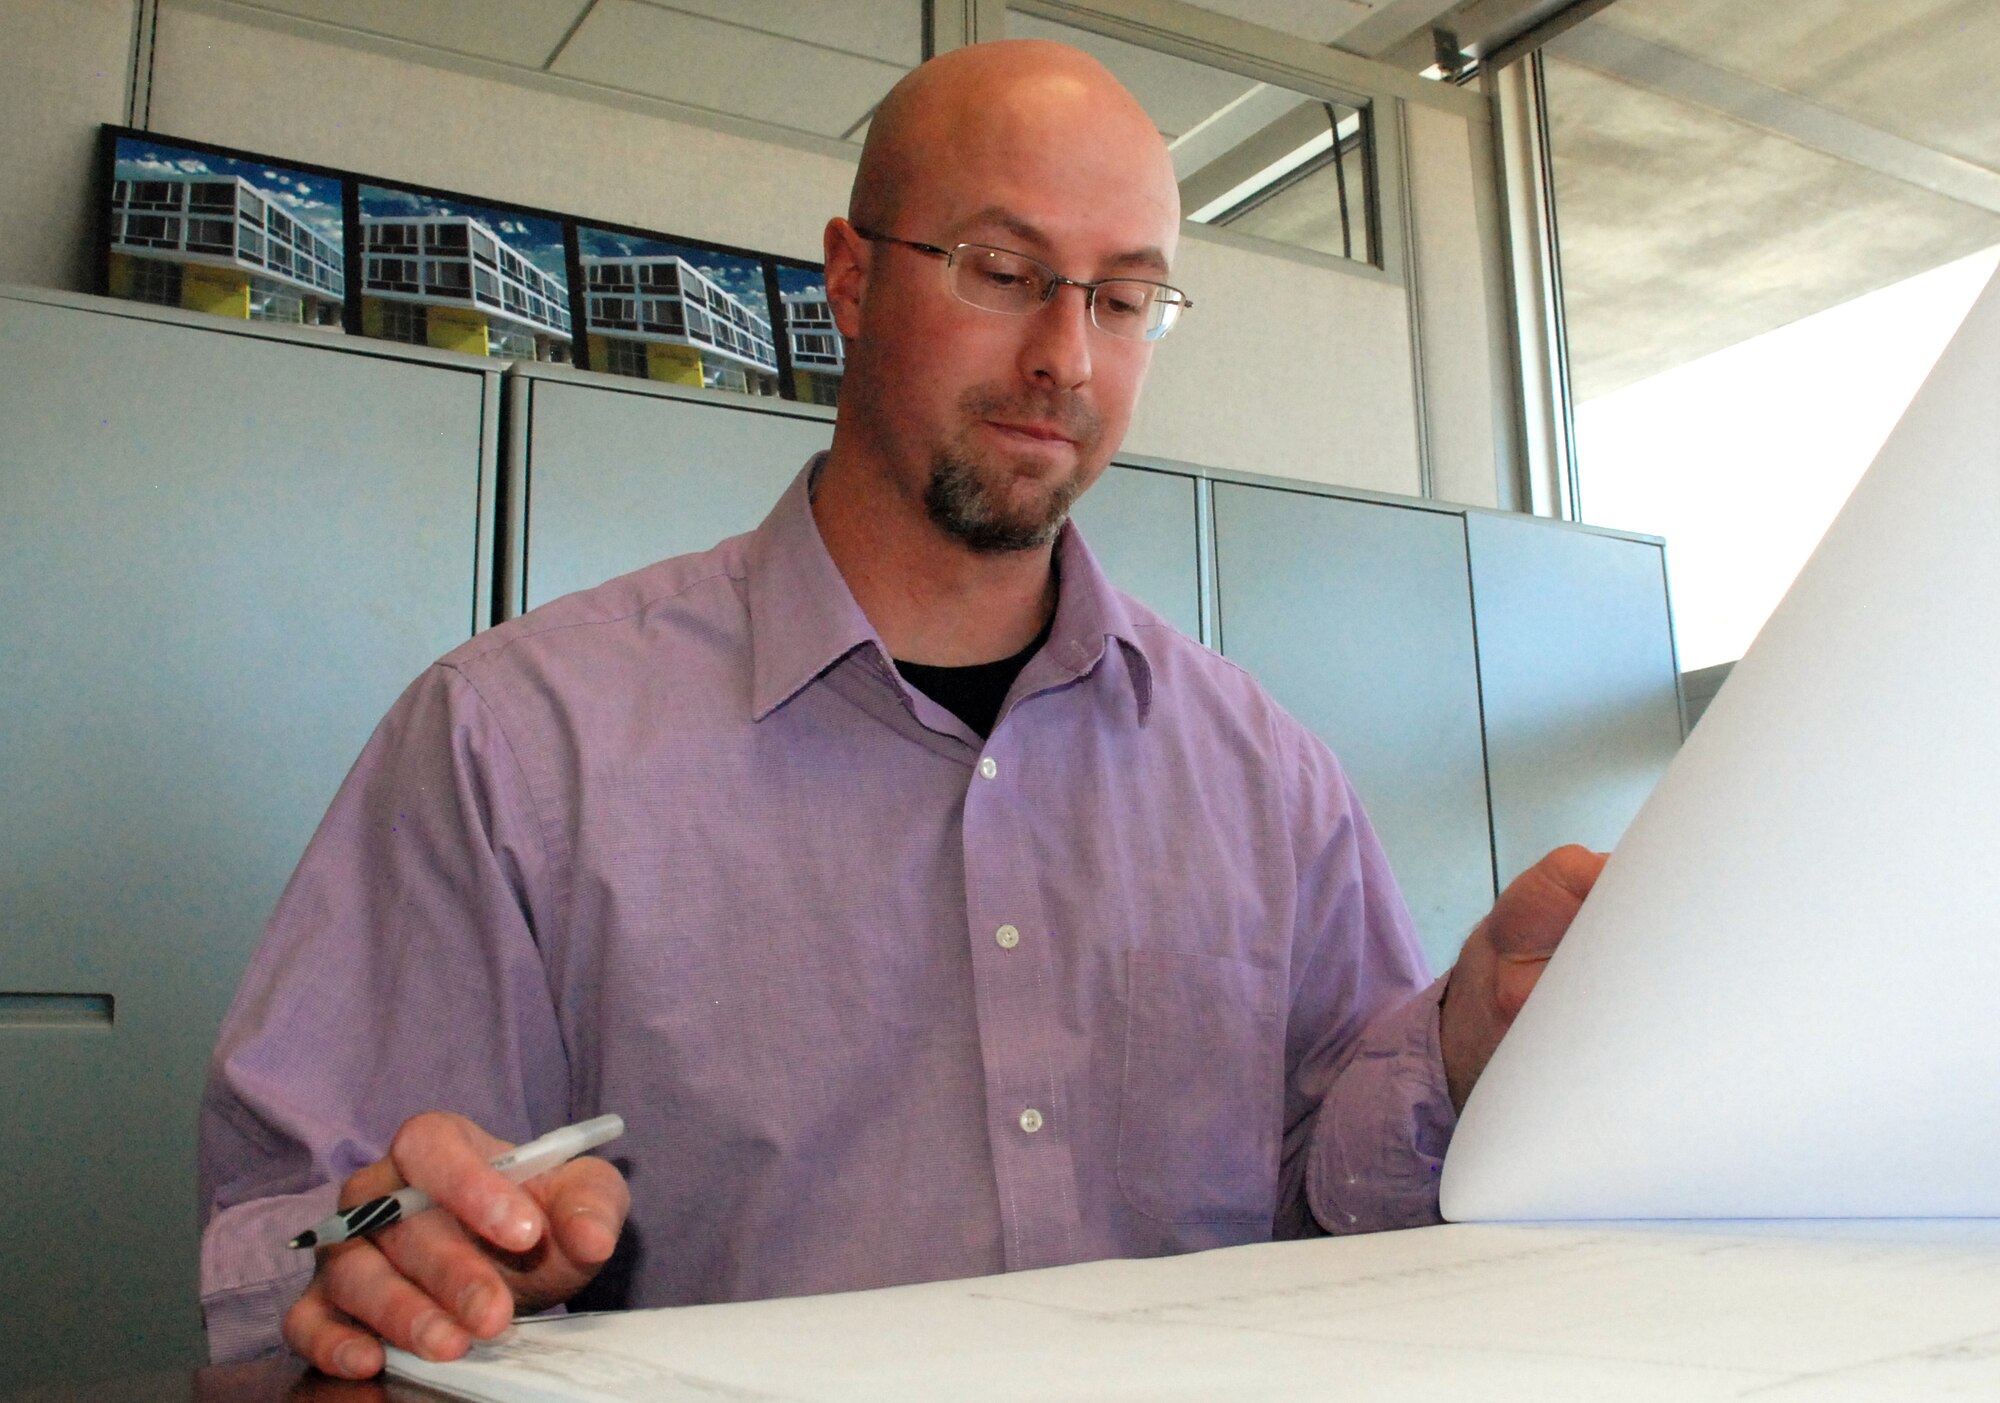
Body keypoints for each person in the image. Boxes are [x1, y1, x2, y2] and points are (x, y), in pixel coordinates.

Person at [197, 39, 1605, 1378]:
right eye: (1005, 271)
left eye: (1123, 299)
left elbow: (1330, 1202)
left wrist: (1467, 1038)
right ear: (852, 279)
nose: (1068, 354)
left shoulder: (1268, 776)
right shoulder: (513, 743)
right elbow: (299, 1227)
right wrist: (392, 1255)